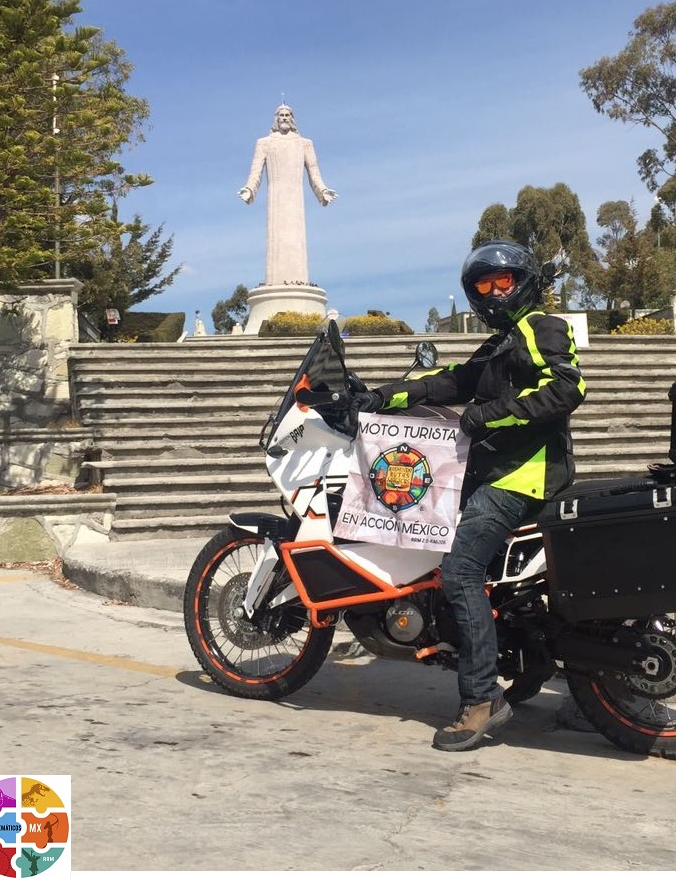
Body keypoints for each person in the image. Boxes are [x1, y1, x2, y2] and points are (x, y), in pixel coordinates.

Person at [356, 239, 587, 752]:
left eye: (500, 281)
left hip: (521, 476)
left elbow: (567, 388)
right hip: (498, 471)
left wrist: (485, 415)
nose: (492, 292)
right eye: (482, 285)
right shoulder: (504, 341)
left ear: (522, 281)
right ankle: (525, 665)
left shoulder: (541, 327)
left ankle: (482, 700)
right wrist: (379, 397)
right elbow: (449, 382)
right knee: (460, 564)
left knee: (460, 573)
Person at [238, 104, 338, 287]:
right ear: (276, 118)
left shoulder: (304, 143)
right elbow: (255, 171)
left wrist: (323, 191)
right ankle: (276, 282)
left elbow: (314, 170)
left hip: (295, 197)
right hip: (275, 197)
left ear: (292, 118)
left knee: (296, 239)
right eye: (281, 115)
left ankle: (298, 281)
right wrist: (249, 189)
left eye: (287, 115)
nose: (284, 118)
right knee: (276, 240)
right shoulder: (265, 143)